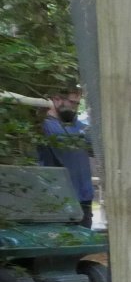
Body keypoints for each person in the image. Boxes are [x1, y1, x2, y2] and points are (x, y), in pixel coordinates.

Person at [37, 86, 95, 228]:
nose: (75, 108)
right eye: (72, 102)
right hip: (60, 199)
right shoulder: (46, 126)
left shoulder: (77, 126)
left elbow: (95, 146)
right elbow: (64, 139)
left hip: (84, 198)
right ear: (56, 100)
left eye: (77, 103)